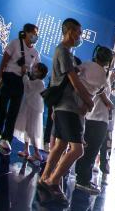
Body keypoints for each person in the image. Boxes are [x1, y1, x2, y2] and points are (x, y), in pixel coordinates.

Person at [38, 18, 95, 203]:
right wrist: (88, 100)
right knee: (78, 150)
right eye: (78, 32)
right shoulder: (63, 51)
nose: (80, 36)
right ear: (69, 31)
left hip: (63, 106)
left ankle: (44, 177)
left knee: (61, 145)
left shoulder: (65, 52)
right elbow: (74, 81)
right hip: (68, 107)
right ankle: (53, 181)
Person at [0, 22, 40, 153]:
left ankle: (6, 138)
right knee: (1, 107)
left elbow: (37, 70)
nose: (36, 36)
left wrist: (29, 73)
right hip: (8, 77)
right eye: (34, 33)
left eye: (37, 34)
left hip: (21, 82)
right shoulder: (15, 43)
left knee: (14, 112)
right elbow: (4, 61)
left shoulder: (35, 52)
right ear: (27, 33)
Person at [75, 45, 115, 194]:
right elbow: (102, 95)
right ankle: (83, 180)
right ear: (108, 61)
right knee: (91, 150)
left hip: (89, 115)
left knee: (86, 148)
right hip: (98, 117)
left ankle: (81, 176)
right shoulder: (101, 74)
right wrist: (111, 105)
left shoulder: (87, 66)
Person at [14, 62, 48, 165]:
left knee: (31, 130)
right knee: (27, 129)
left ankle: (37, 153)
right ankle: (26, 149)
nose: (33, 68)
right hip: (29, 106)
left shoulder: (39, 83)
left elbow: (27, 86)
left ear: (40, 72)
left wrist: (24, 75)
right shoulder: (36, 81)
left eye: (35, 68)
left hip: (33, 109)